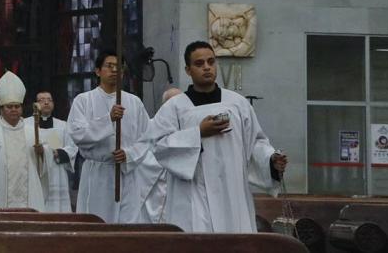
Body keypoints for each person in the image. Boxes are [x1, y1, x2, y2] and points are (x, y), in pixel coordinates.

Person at [147, 41, 288, 233]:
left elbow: (255, 142)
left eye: (211, 62)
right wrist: (198, 133)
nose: (206, 67)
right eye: (199, 64)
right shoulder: (174, 108)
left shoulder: (238, 104)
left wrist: (271, 161)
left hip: (232, 192)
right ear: (188, 70)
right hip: (192, 193)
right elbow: (160, 146)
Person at [67, 50, 150, 223]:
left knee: (127, 226)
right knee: (98, 225)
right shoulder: (83, 100)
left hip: (126, 174)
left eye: (119, 67)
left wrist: (129, 154)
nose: (114, 70)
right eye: (109, 66)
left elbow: (146, 137)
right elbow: (77, 133)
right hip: (97, 175)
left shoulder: (134, 102)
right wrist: (108, 120)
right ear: (98, 71)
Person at [0, 71, 46, 210]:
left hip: (29, 192)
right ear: (1, 109)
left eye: (17, 106)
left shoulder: (33, 131)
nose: (14, 110)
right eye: (9, 107)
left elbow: (44, 162)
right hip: (2, 190)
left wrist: (43, 152)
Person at [136, 87, 182, 223]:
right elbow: (139, 157)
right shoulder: (148, 127)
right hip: (151, 192)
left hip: (177, 192)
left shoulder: (190, 127)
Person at [30, 90, 78, 212]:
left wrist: (51, 153)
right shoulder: (26, 125)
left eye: (49, 100)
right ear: (35, 104)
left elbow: (72, 148)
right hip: (35, 172)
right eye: (41, 100)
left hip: (57, 174)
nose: (46, 102)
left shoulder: (62, 125)